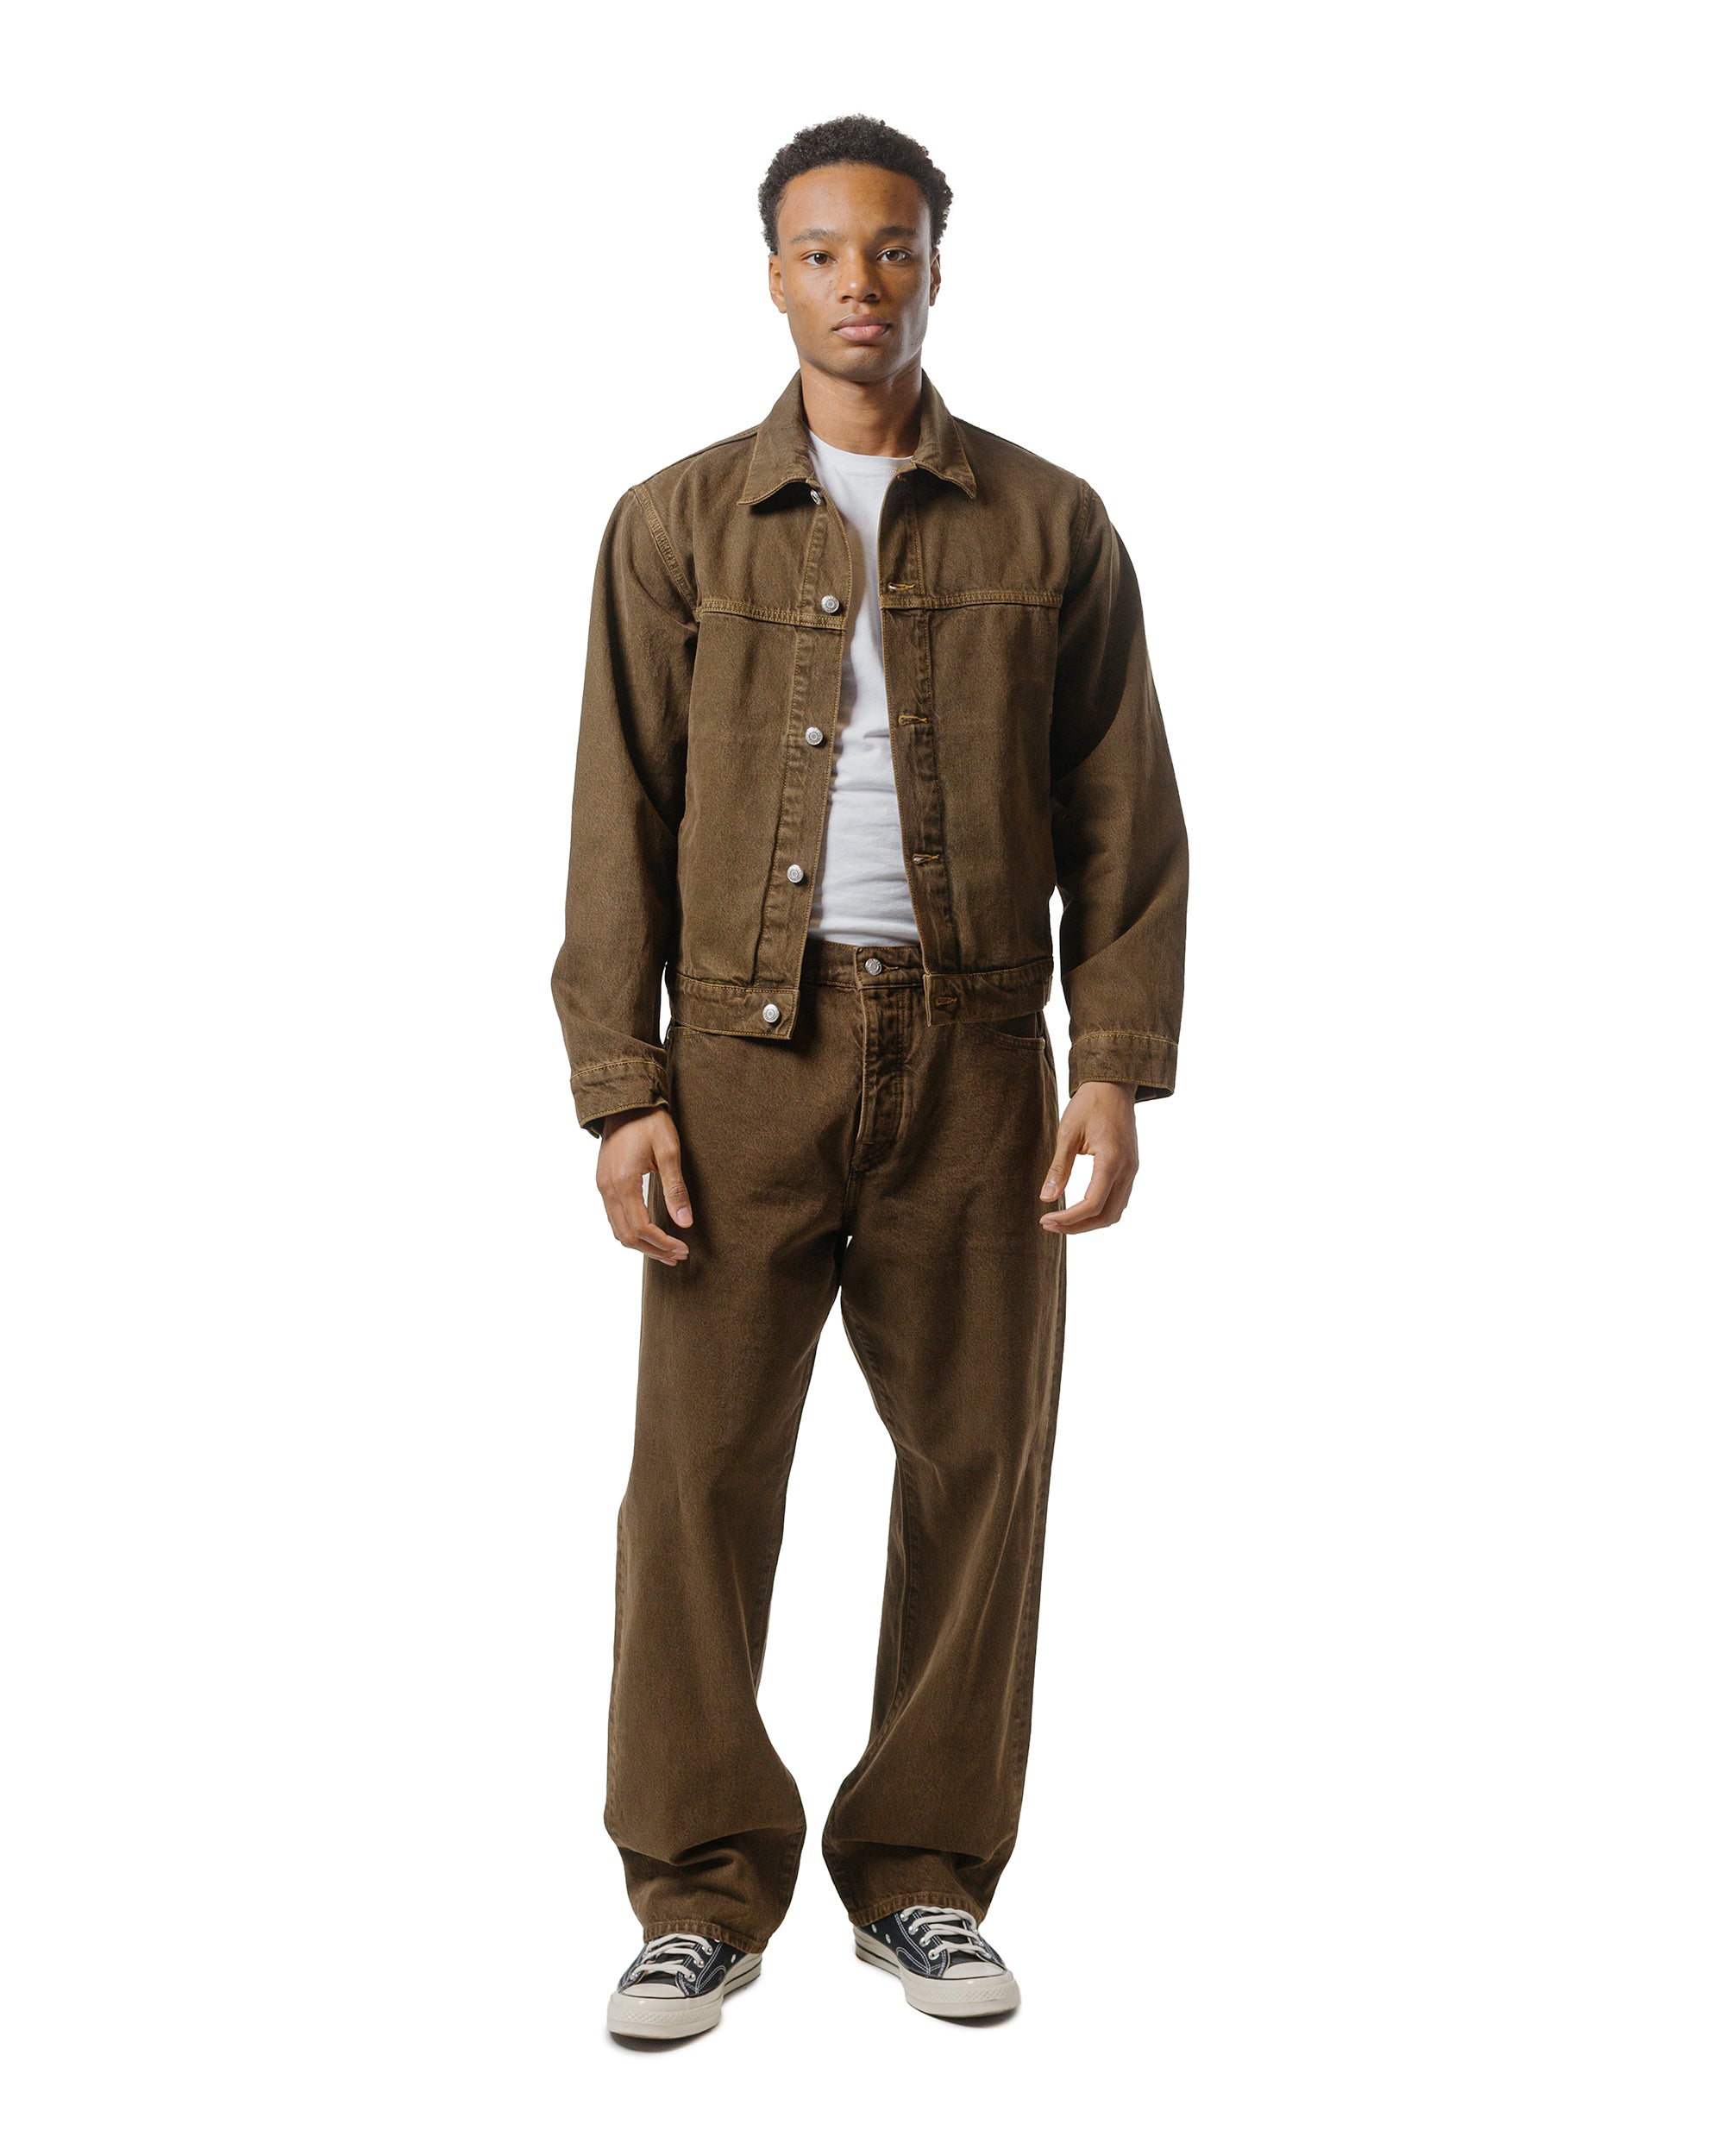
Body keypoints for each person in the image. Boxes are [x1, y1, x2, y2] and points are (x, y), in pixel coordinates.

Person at [552, 113, 1188, 2040]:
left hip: (980, 1055)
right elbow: (617, 811)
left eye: (892, 248)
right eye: (823, 252)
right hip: (743, 1059)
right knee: (697, 1479)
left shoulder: (1051, 524)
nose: (859, 282)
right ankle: (697, 1888)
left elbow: (1121, 806)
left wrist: (1111, 1065)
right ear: (772, 274)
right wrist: (622, 1082)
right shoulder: (674, 523)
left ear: (934, 267)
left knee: (982, 1467)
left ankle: (920, 1875)